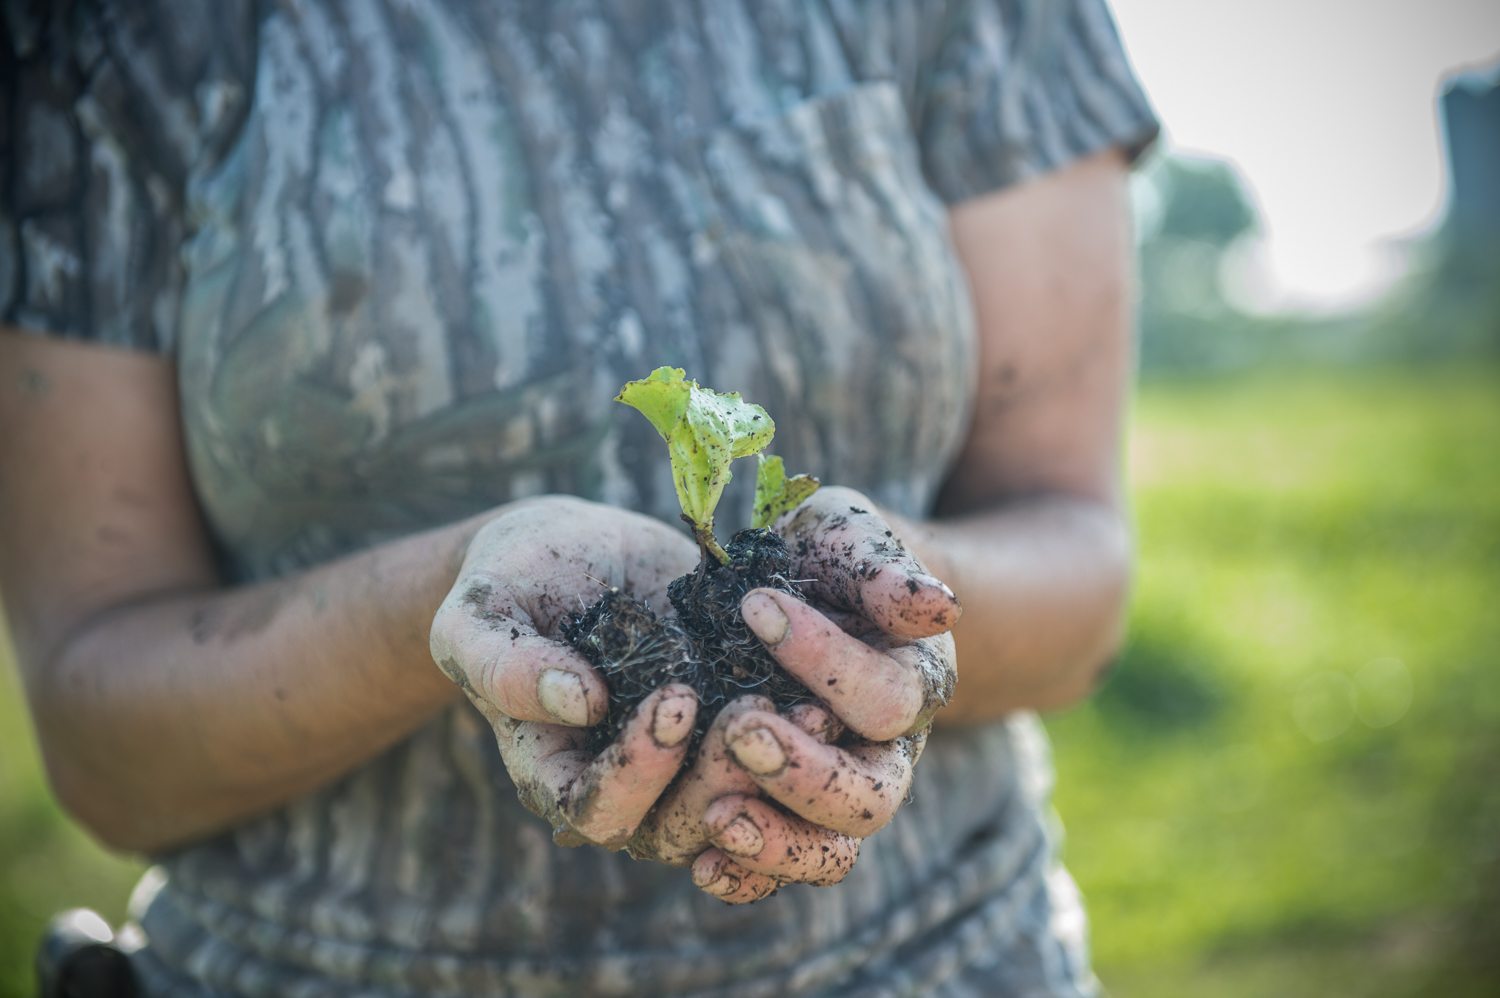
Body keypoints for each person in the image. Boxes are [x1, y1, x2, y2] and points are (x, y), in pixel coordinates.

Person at [0, 1, 1156, 994]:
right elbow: (107, 754)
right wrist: (436, 604)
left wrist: (878, 613)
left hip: (934, 953)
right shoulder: (117, 31)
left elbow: (1077, 563)